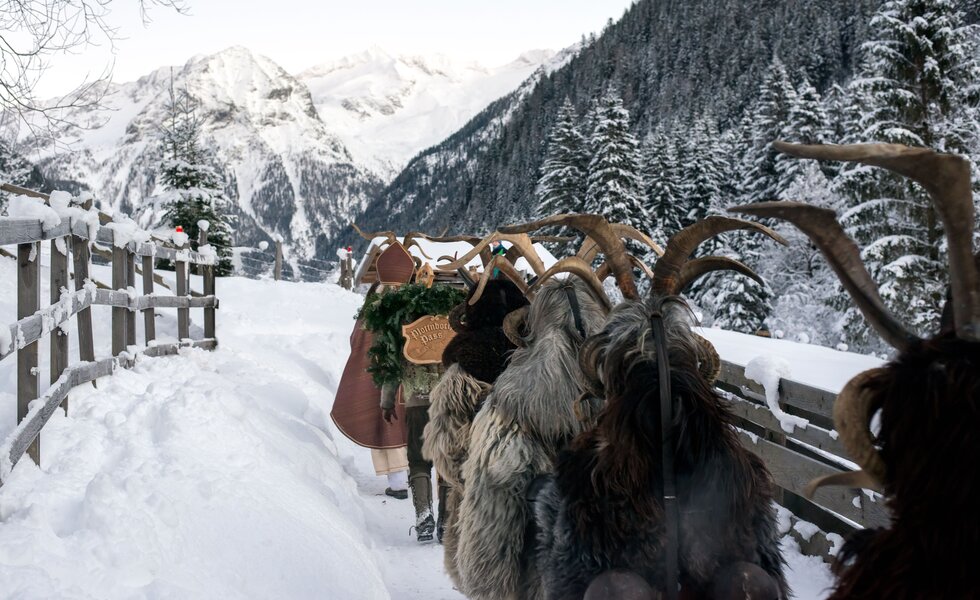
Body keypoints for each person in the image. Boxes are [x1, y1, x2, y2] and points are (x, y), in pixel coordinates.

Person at [381, 361, 445, 541]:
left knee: (418, 460)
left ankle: (423, 516)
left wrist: (387, 401)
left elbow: (392, 363)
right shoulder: (452, 331)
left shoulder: (403, 331)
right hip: (448, 402)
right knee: (449, 460)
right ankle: (447, 523)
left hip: (417, 402)